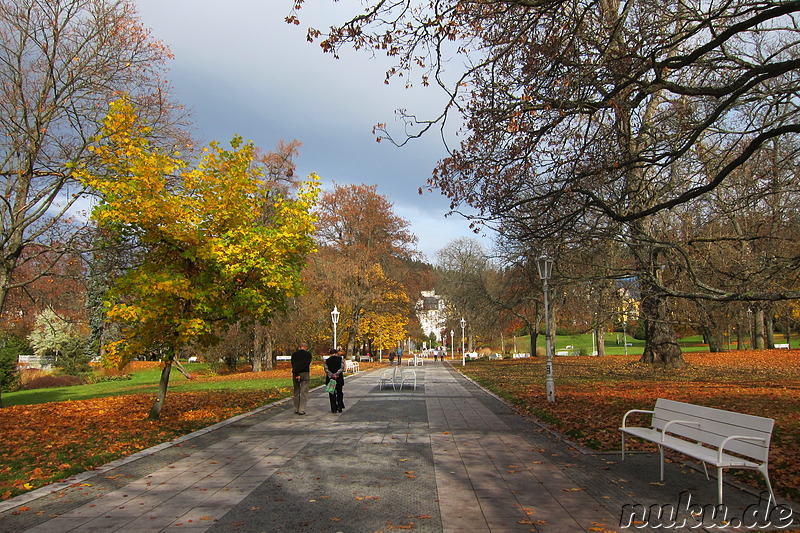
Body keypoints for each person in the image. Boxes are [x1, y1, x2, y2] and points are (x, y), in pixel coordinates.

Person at [291, 342, 312, 415]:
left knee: (296, 391)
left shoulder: (294, 354)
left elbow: (294, 364)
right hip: (305, 373)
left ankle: (296, 408)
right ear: (305, 347)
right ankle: (301, 409)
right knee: (304, 392)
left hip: (296, 374)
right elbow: (306, 364)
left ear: (299, 347)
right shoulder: (308, 355)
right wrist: (301, 372)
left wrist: (297, 374)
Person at [324, 348, 345, 413]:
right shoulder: (340, 359)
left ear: (330, 354)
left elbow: (326, 369)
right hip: (338, 378)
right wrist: (336, 374)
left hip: (330, 379)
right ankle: (340, 405)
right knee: (339, 392)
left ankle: (333, 408)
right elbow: (342, 368)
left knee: (332, 393)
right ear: (336, 353)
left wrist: (332, 375)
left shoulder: (327, 360)